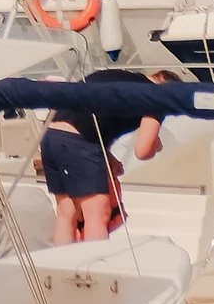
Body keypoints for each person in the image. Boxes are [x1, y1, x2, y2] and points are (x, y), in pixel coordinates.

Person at [41, 92, 162, 241]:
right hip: (77, 140)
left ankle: (61, 263)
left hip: (50, 134)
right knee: (97, 215)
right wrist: (158, 145)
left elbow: (91, 118)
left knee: (66, 213)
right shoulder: (157, 96)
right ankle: (96, 263)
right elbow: (143, 151)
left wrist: (107, 156)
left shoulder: (115, 78)